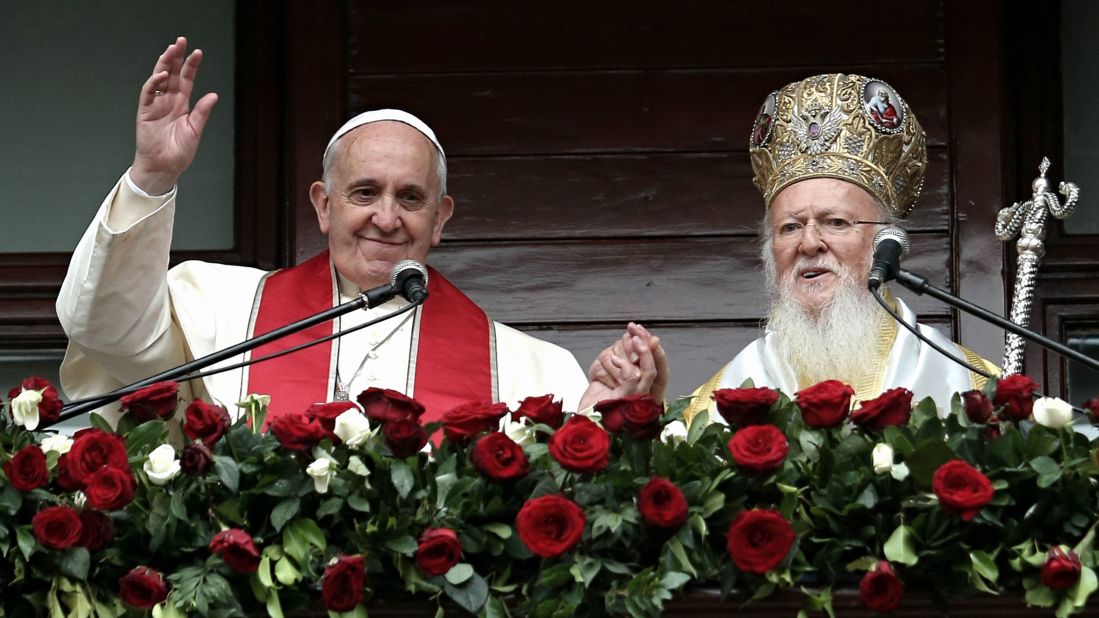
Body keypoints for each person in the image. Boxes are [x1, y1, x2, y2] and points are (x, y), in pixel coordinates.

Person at [56, 37, 663, 428]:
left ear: (440, 219)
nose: (386, 217)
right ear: (323, 206)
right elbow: (107, 329)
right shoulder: (219, 310)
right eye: (364, 193)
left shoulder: (534, 371)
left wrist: (599, 416)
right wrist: (152, 177)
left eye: (411, 198)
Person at [684, 73, 998, 421]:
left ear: (884, 242)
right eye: (790, 227)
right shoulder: (714, 407)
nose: (809, 243)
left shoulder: (972, 388)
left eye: (836, 223)